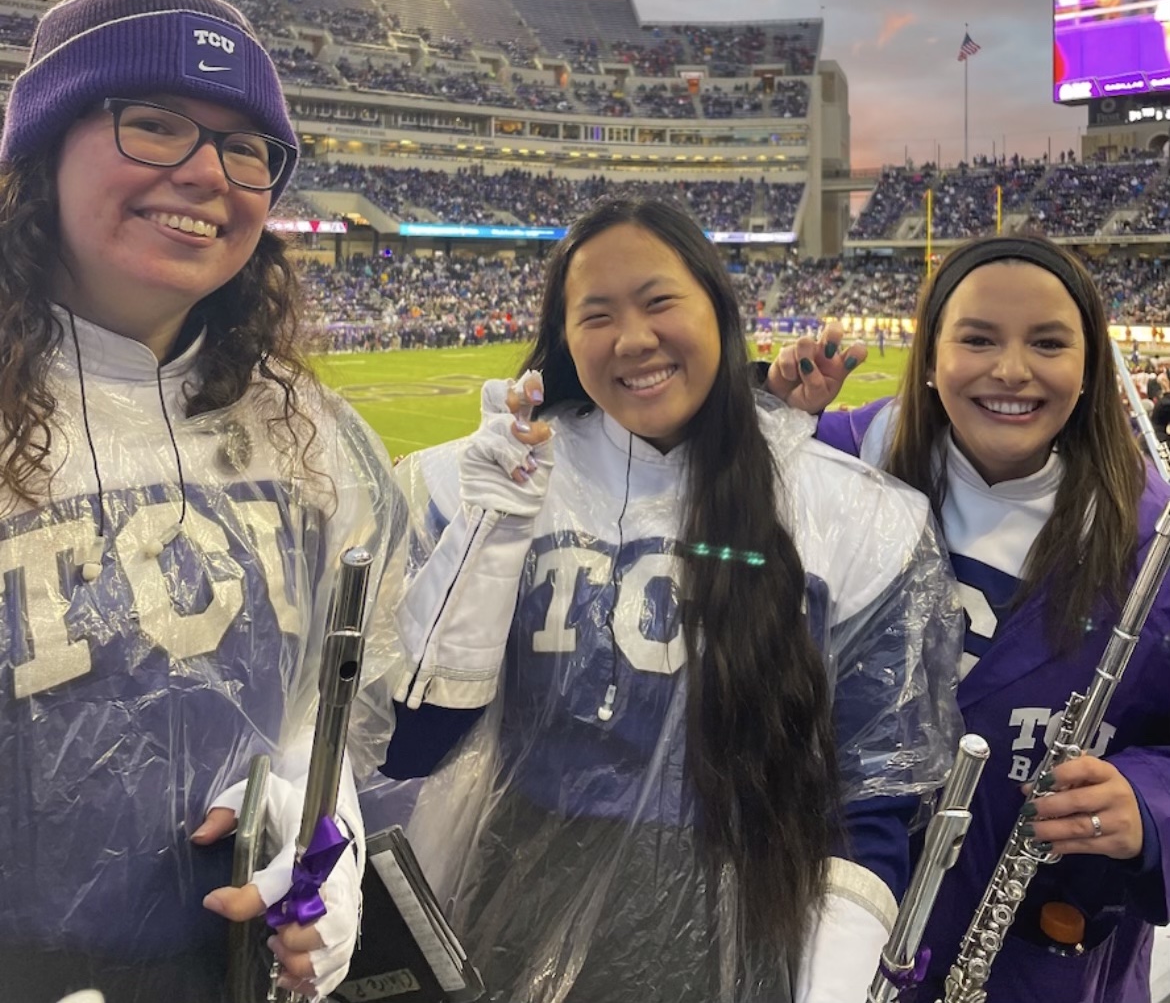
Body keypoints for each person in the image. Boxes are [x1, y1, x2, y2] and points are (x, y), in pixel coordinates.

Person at [379, 196, 962, 1002]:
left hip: (749, 938)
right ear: (564, 337)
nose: (633, 338)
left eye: (659, 302)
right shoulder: (479, 486)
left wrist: (831, 983)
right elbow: (409, 748)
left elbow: (872, 794)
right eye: (597, 315)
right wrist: (490, 530)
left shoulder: (853, 516)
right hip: (506, 921)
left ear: (721, 312)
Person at [0, 0, 402, 1003]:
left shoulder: (309, 437)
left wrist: (321, 826)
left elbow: (329, 693)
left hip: (235, 972)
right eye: (155, 123)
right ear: (41, 152)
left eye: (246, 146)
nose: (207, 172)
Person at [769, 235, 1170, 1003]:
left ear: (1089, 369)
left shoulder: (1152, 541)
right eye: (978, 339)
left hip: (1033, 961)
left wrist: (1145, 806)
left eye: (1048, 343)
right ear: (929, 356)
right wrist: (771, 428)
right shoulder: (845, 459)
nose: (1011, 369)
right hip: (826, 927)